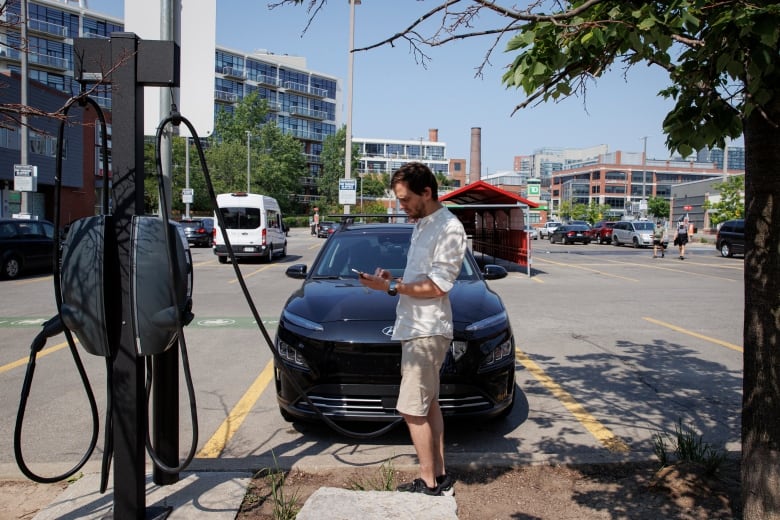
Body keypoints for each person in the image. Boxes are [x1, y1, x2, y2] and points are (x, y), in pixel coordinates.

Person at [359, 162, 466, 497]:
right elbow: (422, 278)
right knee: (428, 404)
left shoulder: (449, 229)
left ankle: (428, 483)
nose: (400, 205)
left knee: (411, 407)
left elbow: (438, 286)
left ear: (426, 193)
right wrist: (394, 282)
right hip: (416, 328)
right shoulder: (423, 224)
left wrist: (391, 289)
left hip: (427, 330)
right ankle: (440, 474)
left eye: (405, 199)